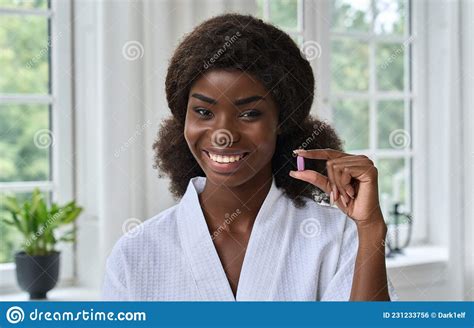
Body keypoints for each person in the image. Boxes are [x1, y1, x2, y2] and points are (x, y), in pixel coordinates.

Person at [102, 13, 397, 301]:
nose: (222, 134)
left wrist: (371, 229)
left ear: (281, 121)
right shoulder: (135, 253)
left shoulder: (337, 237)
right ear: (183, 120)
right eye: (204, 112)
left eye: (249, 114)